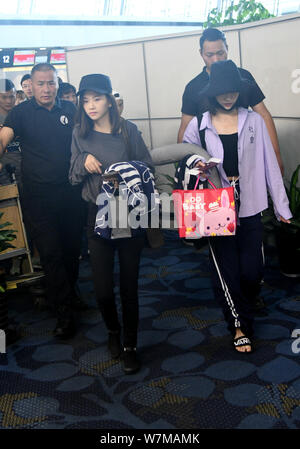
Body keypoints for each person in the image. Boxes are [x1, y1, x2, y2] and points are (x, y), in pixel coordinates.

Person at [183, 60, 292, 353]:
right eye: (222, 91)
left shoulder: (253, 120)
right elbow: (186, 158)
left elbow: (270, 164)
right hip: (216, 205)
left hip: (251, 202)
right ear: (212, 93)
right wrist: (197, 165)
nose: (228, 96)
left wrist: (282, 207)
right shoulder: (199, 124)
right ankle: (239, 326)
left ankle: (246, 302)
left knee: (252, 271)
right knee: (226, 271)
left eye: (233, 91)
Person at [69, 74, 154, 374]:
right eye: (86, 99)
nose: (90, 105)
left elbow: (147, 166)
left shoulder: (127, 130)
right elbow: (72, 174)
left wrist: (124, 172)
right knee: (103, 290)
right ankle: (113, 332)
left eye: (97, 98)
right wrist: (84, 161)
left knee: (128, 286)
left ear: (109, 100)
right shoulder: (80, 133)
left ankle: (130, 344)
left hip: (127, 214)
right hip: (97, 215)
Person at [0, 63, 85, 340]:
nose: (46, 89)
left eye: (51, 83)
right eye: (40, 84)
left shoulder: (70, 110)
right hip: (38, 196)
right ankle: (63, 314)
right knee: (50, 254)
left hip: (72, 192)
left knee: (72, 250)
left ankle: (70, 296)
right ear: (31, 86)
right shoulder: (21, 112)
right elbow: (4, 137)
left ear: (57, 84)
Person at [177, 27, 284, 175]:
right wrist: (185, 165)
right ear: (201, 53)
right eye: (209, 55)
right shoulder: (193, 87)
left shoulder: (244, 78)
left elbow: (264, 115)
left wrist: (276, 156)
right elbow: (185, 128)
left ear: (227, 48)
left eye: (220, 53)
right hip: (211, 167)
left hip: (247, 160)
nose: (216, 59)